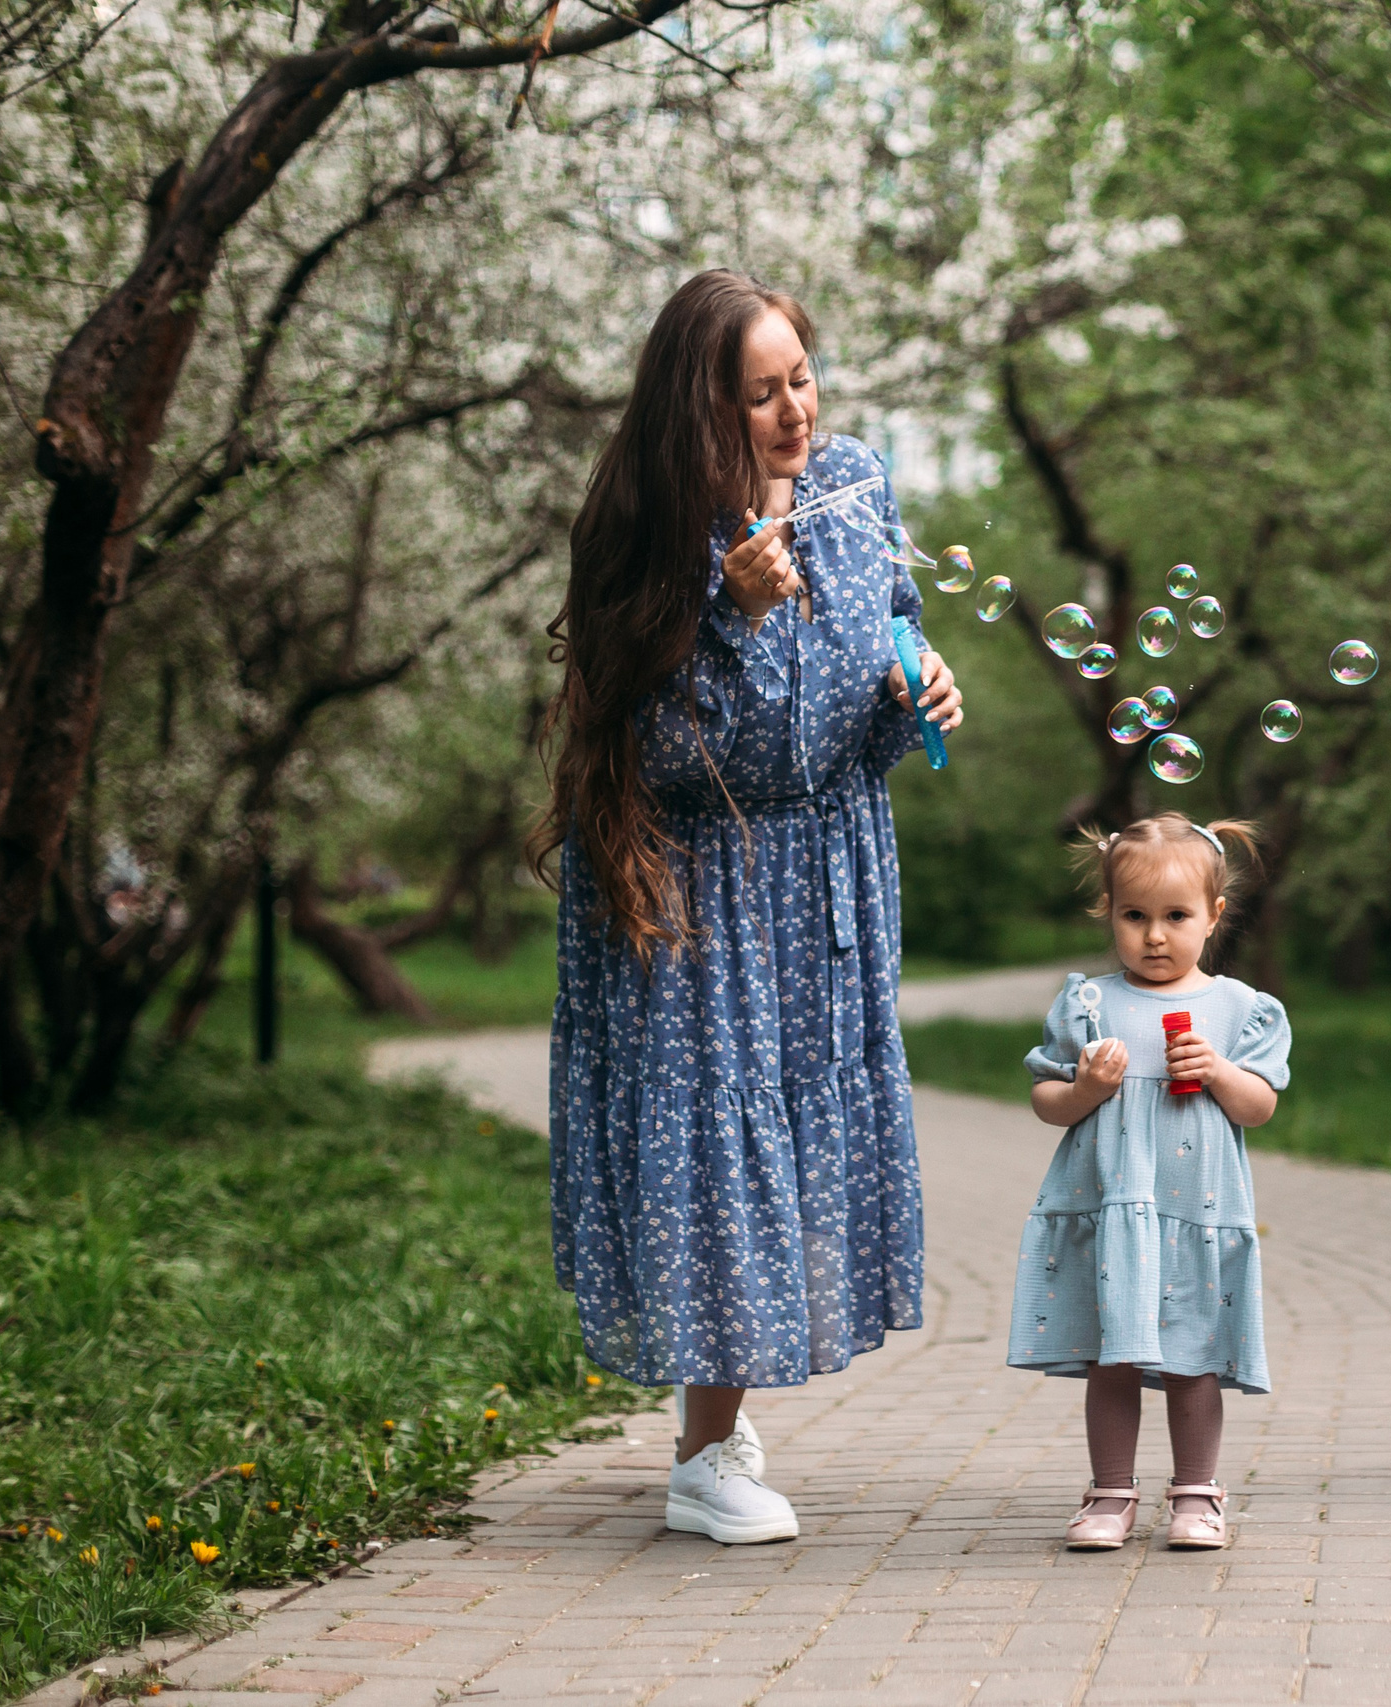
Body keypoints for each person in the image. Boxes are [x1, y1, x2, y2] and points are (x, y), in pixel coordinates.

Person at [533, 271, 965, 1545]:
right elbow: (652, 750)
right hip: (703, 892)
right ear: (699, 407)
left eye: (802, 379)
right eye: (760, 393)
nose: (794, 413)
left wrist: (920, 686)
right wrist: (730, 614)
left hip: (824, 872)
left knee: (787, 1136)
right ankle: (706, 1455)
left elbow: (886, 644)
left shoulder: (854, 487)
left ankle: (714, 1430)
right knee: (720, 1147)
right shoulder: (646, 530)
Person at [1008, 814, 1290, 1552]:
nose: (1155, 936)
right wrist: (1087, 1089)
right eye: (1135, 916)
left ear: (1214, 915)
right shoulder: (1089, 1004)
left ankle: (1197, 1492)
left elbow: (1259, 1107)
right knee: (1115, 1352)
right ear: (1109, 911)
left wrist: (1221, 1070)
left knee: (1193, 1351)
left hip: (1195, 1210)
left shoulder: (1239, 1009)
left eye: (1175, 917)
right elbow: (1045, 1098)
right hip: (1111, 1212)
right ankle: (1110, 1491)